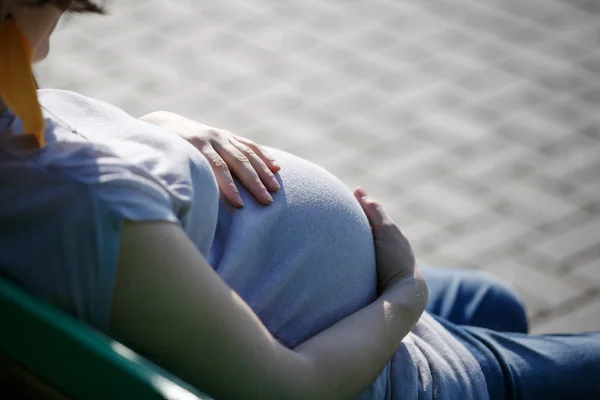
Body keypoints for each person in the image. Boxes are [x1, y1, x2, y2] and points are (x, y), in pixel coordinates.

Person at [0, 1, 599, 399]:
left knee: (493, 298)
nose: (61, 23)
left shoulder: (20, 134)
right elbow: (290, 391)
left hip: (345, 317)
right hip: (401, 376)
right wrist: (402, 298)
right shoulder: (85, 203)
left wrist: (153, 127)